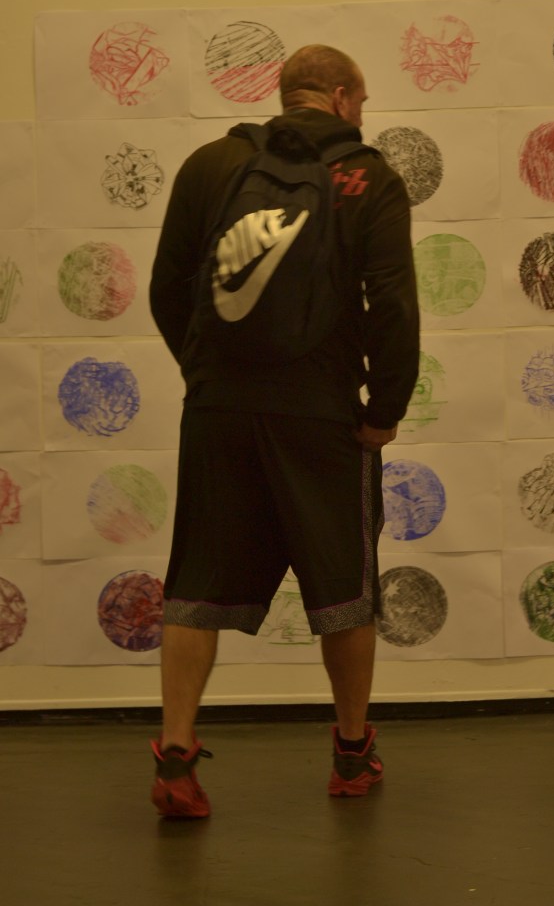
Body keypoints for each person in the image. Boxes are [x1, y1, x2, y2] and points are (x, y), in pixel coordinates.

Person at [148, 44, 420, 817]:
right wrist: (383, 411)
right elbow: (393, 304)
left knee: (196, 581)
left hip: (220, 405)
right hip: (321, 408)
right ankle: (352, 754)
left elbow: (167, 288)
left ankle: (175, 758)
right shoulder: (368, 177)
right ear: (341, 97)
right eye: (362, 101)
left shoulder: (210, 164)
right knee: (345, 588)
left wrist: (204, 374)